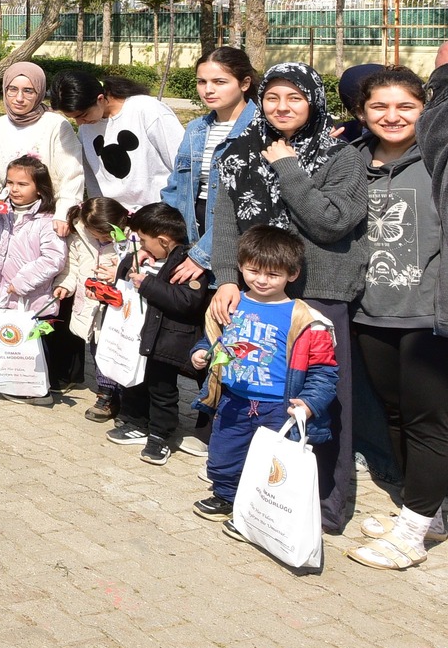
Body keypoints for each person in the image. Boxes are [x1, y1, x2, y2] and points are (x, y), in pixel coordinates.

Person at [207, 60, 367, 532]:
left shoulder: (341, 156)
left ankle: (325, 505)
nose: (282, 107)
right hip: (257, 292)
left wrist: (288, 168)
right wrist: (227, 278)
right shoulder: (238, 151)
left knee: (320, 398)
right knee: (253, 389)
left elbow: (333, 221)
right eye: (273, 97)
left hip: (317, 292)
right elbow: (227, 222)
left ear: (313, 100)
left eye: (294, 97)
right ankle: (246, 487)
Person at [348, 66, 447, 568]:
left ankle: (411, 535)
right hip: (371, 311)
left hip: (428, 315)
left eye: (405, 106)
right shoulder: (352, 163)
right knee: (394, 414)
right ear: (362, 112)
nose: (392, 116)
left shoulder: (438, 163)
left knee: (429, 422)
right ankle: (427, 511)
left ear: (425, 109)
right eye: (379, 107)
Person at [189, 226, 339, 545]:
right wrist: (201, 353)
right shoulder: (229, 303)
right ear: (240, 265)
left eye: (272, 274)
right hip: (233, 400)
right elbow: (213, 340)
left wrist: (310, 402)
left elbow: (324, 370)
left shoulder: (305, 319)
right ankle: (225, 496)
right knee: (223, 454)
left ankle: (256, 512)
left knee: (270, 468)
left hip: (278, 408)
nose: (261, 279)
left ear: (292, 274)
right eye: (253, 270)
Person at [113, 205, 208, 463]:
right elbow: (123, 277)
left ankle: (160, 435)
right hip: (142, 334)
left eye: (144, 240)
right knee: (136, 381)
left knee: (162, 390)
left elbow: (187, 301)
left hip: (168, 341)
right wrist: (132, 260)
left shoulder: (186, 263)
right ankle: (135, 421)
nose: (141, 245)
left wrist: (148, 285)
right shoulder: (150, 255)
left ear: (164, 241)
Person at [162, 47, 260, 279]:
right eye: (201, 81)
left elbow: (251, 206)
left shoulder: (260, 130)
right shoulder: (196, 129)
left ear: (244, 83)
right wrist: (159, 239)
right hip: (189, 236)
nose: (208, 90)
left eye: (219, 81)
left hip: (235, 242)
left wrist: (203, 254)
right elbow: (175, 189)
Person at [0, 155, 68, 405]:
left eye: (22, 184)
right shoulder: (1, 213)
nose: (14, 189)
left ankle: (40, 390)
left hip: (33, 299)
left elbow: (53, 260)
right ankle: (13, 381)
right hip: (2, 293)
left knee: (35, 346)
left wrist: (21, 282)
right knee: (11, 341)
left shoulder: (47, 221)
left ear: (39, 188)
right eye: (10, 183)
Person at [49, 71, 185, 212]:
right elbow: (93, 180)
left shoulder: (147, 110)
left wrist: (169, 207)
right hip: (116, 217)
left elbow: (182, 162)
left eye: (83, 115)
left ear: (100, 99)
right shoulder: (86, 128)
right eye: (74, 119)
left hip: (160, 212)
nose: (80, 123)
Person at [0, 61, 86, 219]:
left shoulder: (56, 125)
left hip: (48, 216)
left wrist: (63, 214)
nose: (19, 98)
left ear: (39, 92)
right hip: (9, 217)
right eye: (12, 89)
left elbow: (71, 175)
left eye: (28, 91)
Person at [57, 198, 131, 411]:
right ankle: (105, 393)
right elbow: (73, 265)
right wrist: (65, 285)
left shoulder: (133, 238)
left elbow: (138, 267)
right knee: (99, 349)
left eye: (107, 235)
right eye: (98, 234)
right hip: (91, 304)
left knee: (119, 348)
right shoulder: (79, 235)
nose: (102, 238)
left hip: (120, 305)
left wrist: (118, 273)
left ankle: (124, 396)